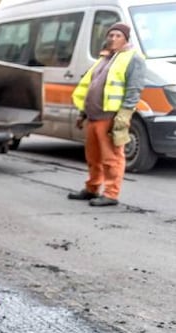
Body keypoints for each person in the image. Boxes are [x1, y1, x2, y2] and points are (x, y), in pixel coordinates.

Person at [68, 22, 146, 207]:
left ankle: (111, 194)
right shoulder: (105, 57)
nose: (113, 38)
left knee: (112, 158)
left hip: (111, 117)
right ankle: (92, 188)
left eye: (118, 35)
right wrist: (82, 113)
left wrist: (124, 116)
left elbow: (134, 90)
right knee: (93, 157)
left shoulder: (133, 58)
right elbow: (90, 87)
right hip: (94, 116)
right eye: (111, 35)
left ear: (126, 39)